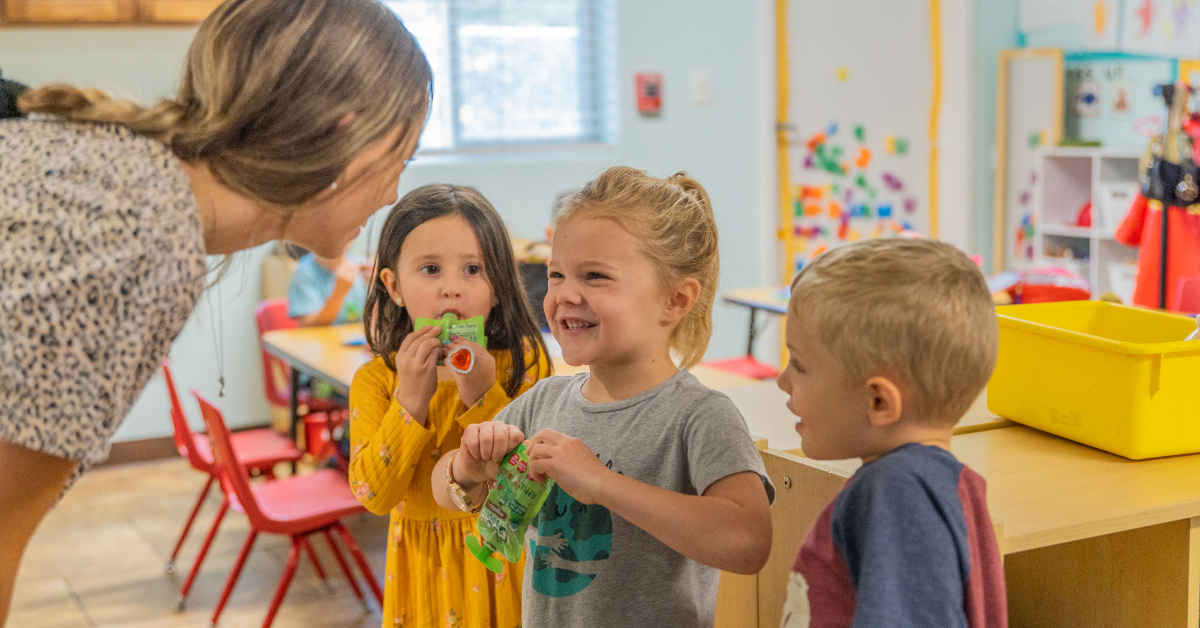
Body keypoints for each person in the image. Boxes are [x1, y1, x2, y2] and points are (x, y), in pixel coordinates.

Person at [0, 0, 432, 622]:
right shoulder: (143, 236)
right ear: (347, 139)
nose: (393, 193)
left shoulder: (128, 174)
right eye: (403, 159)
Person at [432, 166, 775, 628]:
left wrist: (602, 484)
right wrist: (466, 467)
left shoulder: (699, 416)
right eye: (556, 275)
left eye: (594, 276)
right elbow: (446, 490)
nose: (564, 295)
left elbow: (748, 541)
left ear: (675, 300)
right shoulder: (543, 402)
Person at [775, 238, 1007, 628]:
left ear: (879, 402)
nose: (782, 381)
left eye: (798, 364)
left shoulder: (896, 493)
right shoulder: (944, 484)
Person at [349, 184, 550, 628]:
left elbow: (527, 486)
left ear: (498, 286)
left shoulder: (525, 366)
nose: (452, 290)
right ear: (394, 285)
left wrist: (482, 394)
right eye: (431, 269)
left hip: (503, 562)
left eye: (473, 269)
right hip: (420, 573)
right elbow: (374, 497)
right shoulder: (375, 381)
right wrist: (410, 401)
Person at [288, 243, 369, 326]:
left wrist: (377, 289)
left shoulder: (364, 265)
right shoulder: (304, 271)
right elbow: (309, 326)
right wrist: (339, 293)